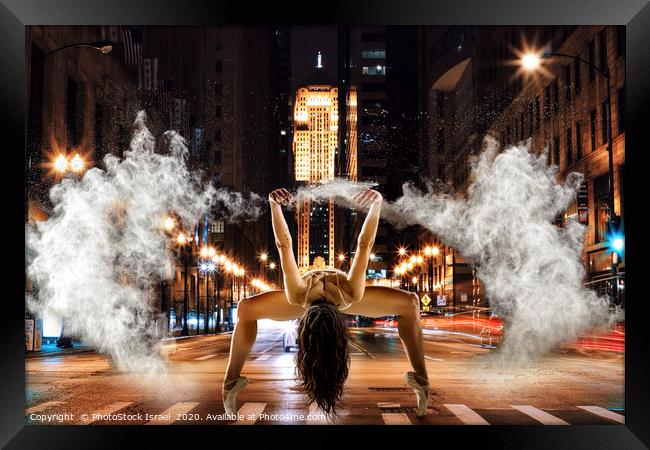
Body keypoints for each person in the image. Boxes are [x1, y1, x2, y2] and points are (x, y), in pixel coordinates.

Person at [222, 188, 430, 417]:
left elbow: (284, 247)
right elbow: (365, 245)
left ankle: (231, 382)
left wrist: (274, 205)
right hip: (346, 299)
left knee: (246, 309)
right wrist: (376, 203)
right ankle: (421, 378)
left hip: (307, 300)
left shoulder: (299, 294)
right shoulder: (349, 293)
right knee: (410, 303)